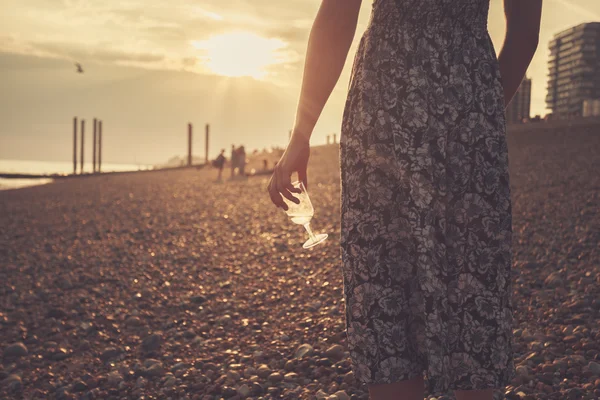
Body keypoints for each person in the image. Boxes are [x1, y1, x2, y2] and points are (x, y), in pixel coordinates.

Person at [267, 1, 542, 400]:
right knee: (469, 283)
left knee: (385, 287)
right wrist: (478, 114)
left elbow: (338, 15)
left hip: (383, 102)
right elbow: (524, 32)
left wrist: (302, 133)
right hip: (460, 102)